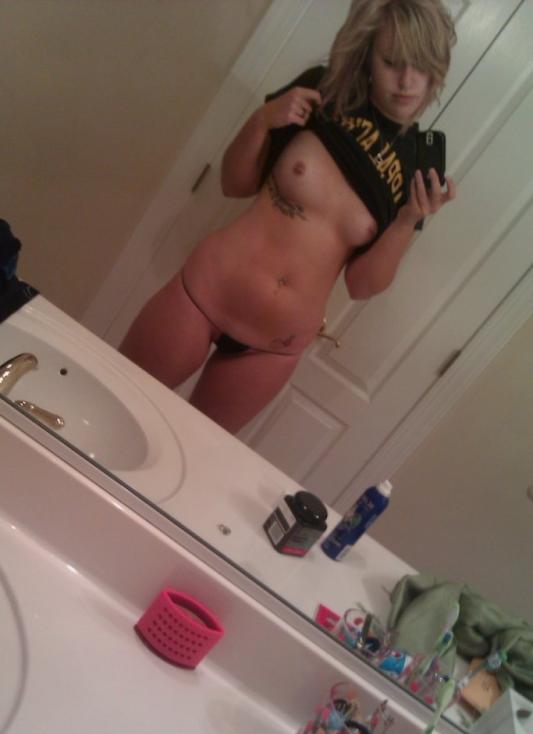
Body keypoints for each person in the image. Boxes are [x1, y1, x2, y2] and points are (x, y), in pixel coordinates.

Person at [120, 0, 457, 434]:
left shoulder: (419, 165)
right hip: (203, 296)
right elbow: (234, 183)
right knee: (115, 402)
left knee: (188, 452)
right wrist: (262, 120)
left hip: (272, 349)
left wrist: (408, 220)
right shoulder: (325, 90)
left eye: (421, 66)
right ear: (369, 53)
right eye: (392, 62)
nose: (407, 82)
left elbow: (361, 285)